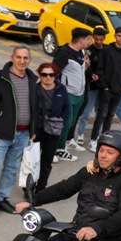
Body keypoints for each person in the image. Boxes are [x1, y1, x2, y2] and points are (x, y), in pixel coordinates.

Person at [0, 46, 41, 222]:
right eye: (18, 57)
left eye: (25, 58)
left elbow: (36, 107)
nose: (22, 61)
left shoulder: (32, 79)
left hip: (23, 134)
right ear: (12, 57)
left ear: (30, 60)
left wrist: (33, 131)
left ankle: (0, 199)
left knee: (11, 170)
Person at [89, 27, 121, 152]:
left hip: (119, 90)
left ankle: (105, 138)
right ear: (115, 36)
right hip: (106, 89)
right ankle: (93, 139)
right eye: (119, 36)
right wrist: (104, 86)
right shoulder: (107, 50)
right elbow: (100, 69)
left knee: (110, 115)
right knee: (101, 114)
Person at [53, 28, 92, 162]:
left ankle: (61, 147)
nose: (90, 42)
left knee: (70, 123)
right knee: (65, 123)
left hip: (79, 94)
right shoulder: (63, 53)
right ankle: (57, 149)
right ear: (81, 40)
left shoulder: (81, 53)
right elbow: (53, 73)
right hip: (67, 94)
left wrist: (86, 67)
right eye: (88, 39)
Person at [32, 62, 70, 191]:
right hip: (37, 131)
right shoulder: (34, 89)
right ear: (39, 75)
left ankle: (41, 188)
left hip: (54, 130)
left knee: (46, 161)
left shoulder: (61, 89)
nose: (48, 77)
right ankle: (28, 188)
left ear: (55, 75)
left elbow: (67, 109)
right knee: (32, 161)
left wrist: (61, 123)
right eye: (44, 74)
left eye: (51, 74)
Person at [75, 26, 107, 147]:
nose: (98, 42)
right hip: (92, 86)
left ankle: (97, 134)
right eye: (96, 39)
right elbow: (86, 66)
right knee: (86, 112)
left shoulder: (107, 50)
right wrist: (91, 75)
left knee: (101, 113)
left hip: (103, 87)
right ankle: (81, 134)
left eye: (101, 39)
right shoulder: (89, 50)